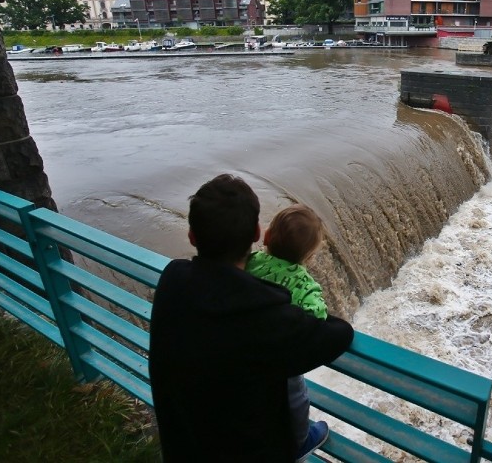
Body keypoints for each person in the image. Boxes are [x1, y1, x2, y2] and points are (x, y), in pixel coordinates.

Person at [148, 174, 354, 462]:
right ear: (257, 233)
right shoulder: (267, 316)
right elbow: (339, 333)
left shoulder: (173, 279)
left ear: (192, 236)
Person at [246, 204, 329, 459]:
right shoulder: (303, 283)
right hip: (281, 358)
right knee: (297, 398)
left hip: (248, 351)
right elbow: (319, 316)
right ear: (308, 257)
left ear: (267, 237)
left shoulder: (252, 261)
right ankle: (301, 440)